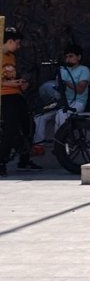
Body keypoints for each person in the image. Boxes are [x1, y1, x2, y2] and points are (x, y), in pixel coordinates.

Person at [0, 26, 39, 175]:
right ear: (10, 41)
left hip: (16, 94)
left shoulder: (11, 57)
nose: (19, 46)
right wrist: (11, 83)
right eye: (17, 43)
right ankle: (1, 161)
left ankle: (24, 159)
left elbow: (11, 76)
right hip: (4, 96)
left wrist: (20, 82)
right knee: (10, 128)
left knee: (29, 124)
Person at [33, 44, 90, 145]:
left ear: (79, 57)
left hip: (77, 102)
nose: (68, 59)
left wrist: (66, 83)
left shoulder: (84, 70)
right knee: (39, 117)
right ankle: (38, 145)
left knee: (61, 114)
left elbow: (80, 89)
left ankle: (60, 145)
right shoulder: (62, 70)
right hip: (61, 102)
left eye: (71, 56)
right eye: (66, 57)